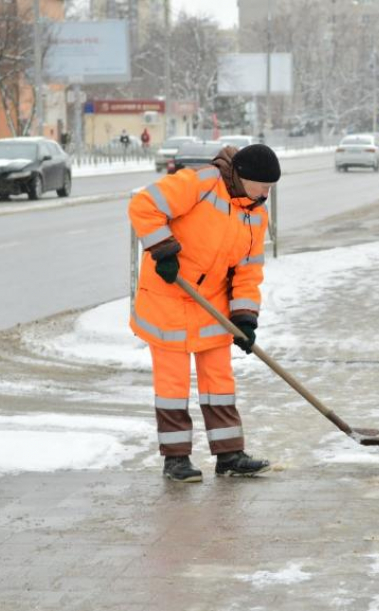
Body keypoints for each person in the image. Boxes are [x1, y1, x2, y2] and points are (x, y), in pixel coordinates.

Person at [127, 144, 281, 483]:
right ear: (243, 177)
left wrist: (244, 317)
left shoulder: (255, 212)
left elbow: (248, 270)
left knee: (219, 383)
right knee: (173, 385)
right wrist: (163, 248)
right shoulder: (201, 183)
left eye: (270, 188)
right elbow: (144, 204)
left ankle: (229, 455)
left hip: (211, 303)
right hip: (168, 296)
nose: (266, 194)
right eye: (263, 186)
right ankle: (176, 460)